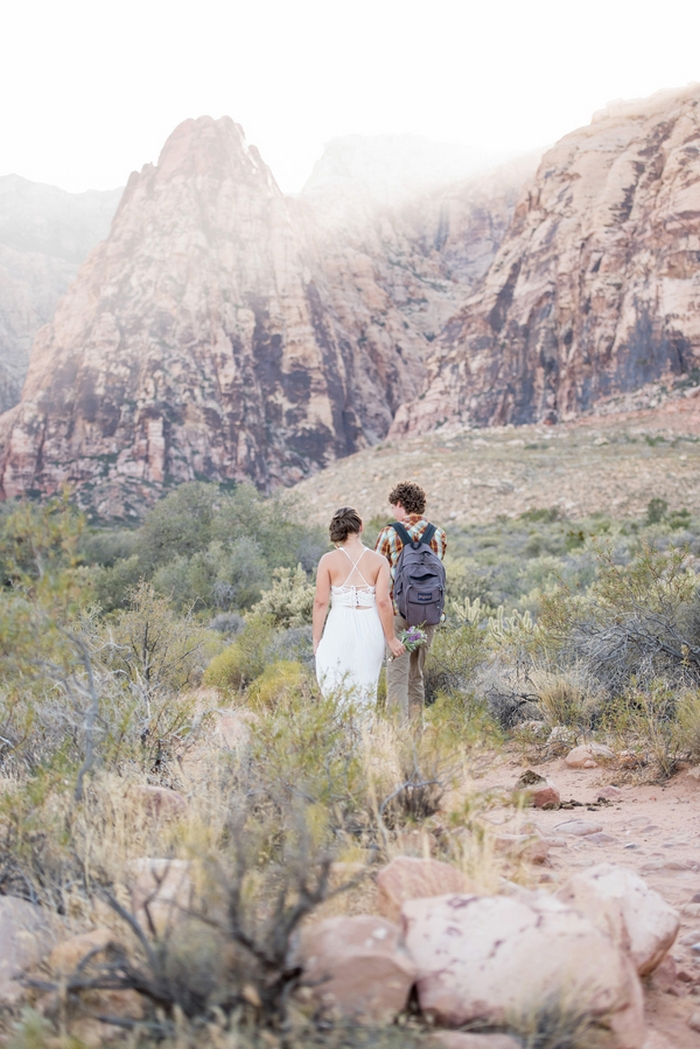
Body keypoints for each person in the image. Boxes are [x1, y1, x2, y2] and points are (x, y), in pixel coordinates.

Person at [314, 506, 405, 708]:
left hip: (338, 626)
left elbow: (320, 602)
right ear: (361, 527)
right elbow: (383, 602)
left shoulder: (327, 560)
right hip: (369, 627)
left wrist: (316, 638)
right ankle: (363, 732)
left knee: (336, 684)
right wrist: (391, 638)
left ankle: (340, 731)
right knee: (366, 686)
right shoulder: (379, 561)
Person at [375, 481, 447, 723]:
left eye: (393, 506)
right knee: (415, 676)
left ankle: (397, 739)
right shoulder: (438, 534)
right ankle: (415, 741)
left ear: (399, 504)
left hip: (398, 616)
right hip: (426, 617)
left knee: (397, 676)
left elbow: (377, 575)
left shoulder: (388, 533)